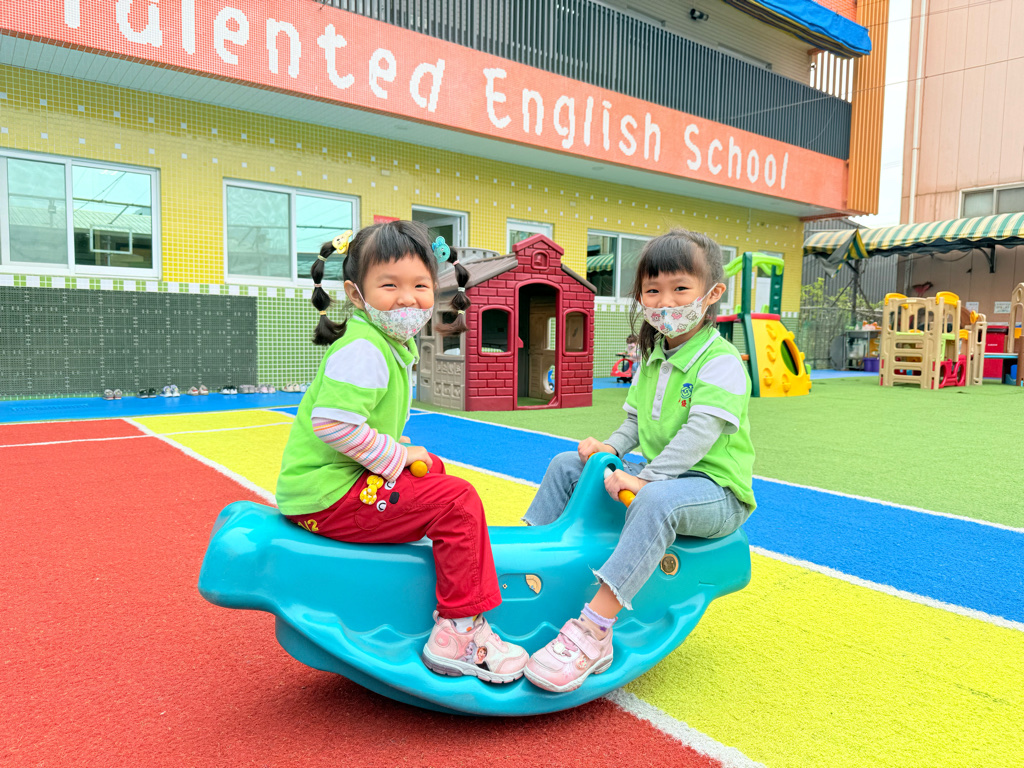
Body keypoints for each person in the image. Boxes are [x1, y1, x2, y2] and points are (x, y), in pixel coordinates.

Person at [275, 220, 528, 684]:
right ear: (356, 294)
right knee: (458, 501)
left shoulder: (383, 343)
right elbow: (333, 425)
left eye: (420, 286)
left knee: (435, 473)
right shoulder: (365, 350)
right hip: (329, 496)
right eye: (389, 286)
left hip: (334, 486)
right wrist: (394, 456)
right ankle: (459, 633)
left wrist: (399, 450)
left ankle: (436, 578)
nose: (408, 299)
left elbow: (357, 423)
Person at [522, 229, 756, 693]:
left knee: (656, 501)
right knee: (569, 465)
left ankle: (594, 631)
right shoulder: (653, 358)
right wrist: (610, 451)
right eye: (653, 290)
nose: (665, 302)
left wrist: (646, 480)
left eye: (680, 289)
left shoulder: (721, 361)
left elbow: (699, 434)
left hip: (715, 493)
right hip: (662, 479)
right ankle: (532, 568)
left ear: (711, 295)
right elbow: (634, 422)